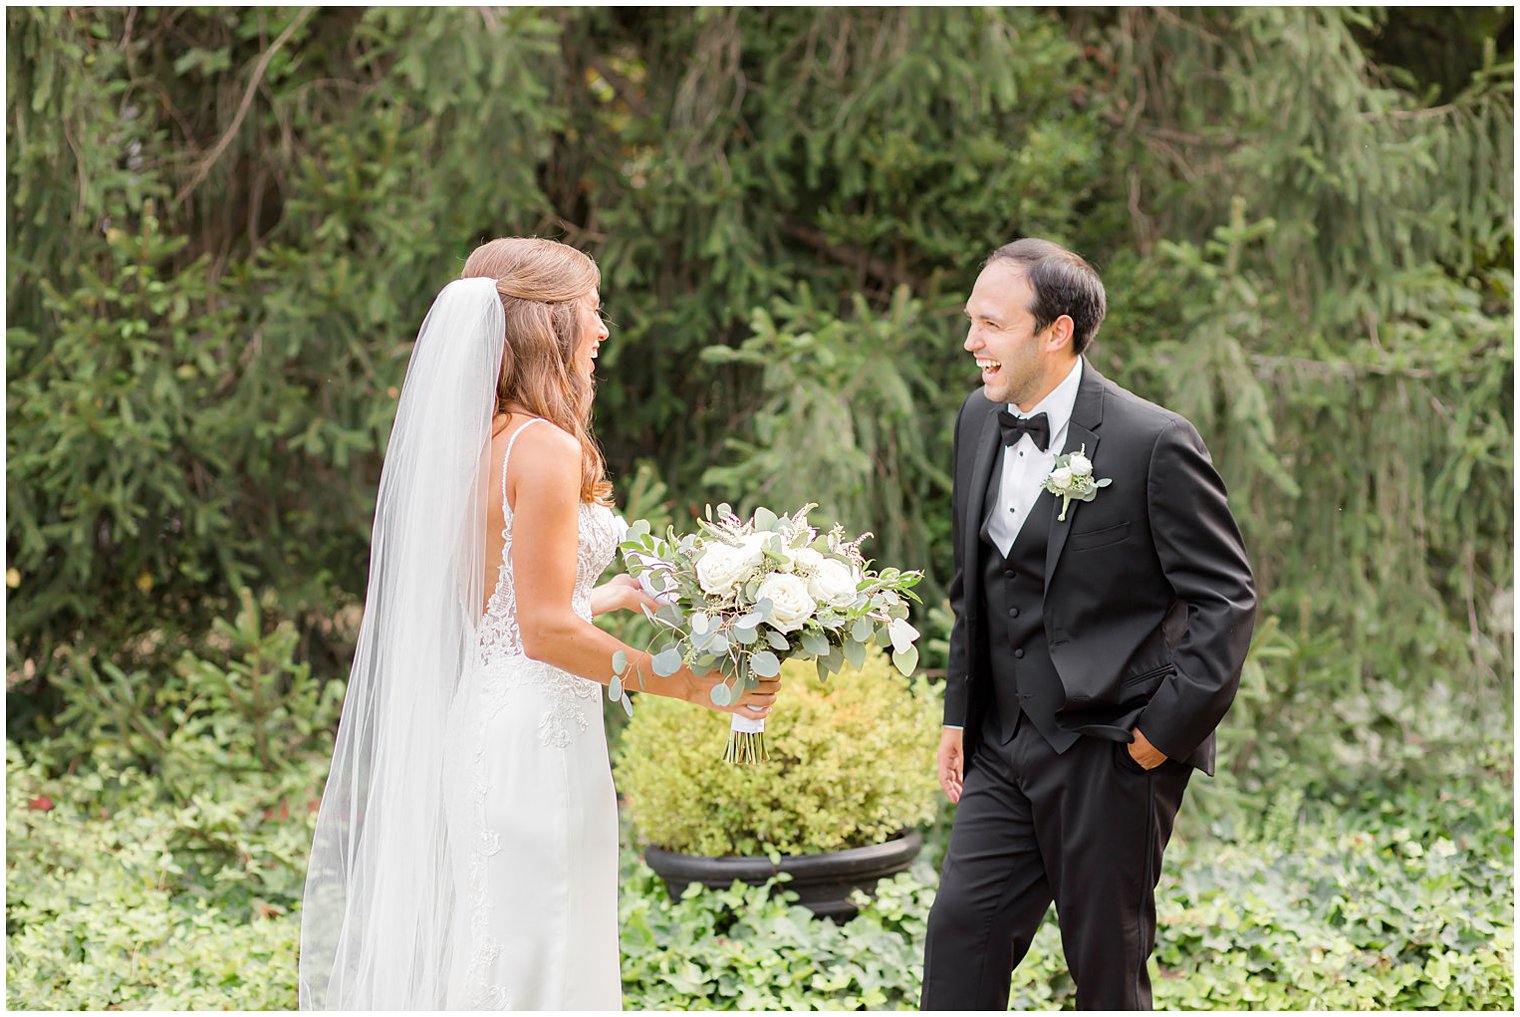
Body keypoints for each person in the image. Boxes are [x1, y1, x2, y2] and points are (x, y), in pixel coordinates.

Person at [299, 237, 778, 1010]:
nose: (602, 331)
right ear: (545, 328)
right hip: (534, 742)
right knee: (540, 957)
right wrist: (694, 687)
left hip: (494, 719)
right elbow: (544, 631)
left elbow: (502, 607)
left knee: (510, 949)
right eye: (591, 311)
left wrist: (613, 591)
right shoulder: (546, 447)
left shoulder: (483, 442)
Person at [920, 238, 1256, 1010]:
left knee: (1106, 972)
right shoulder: (979, 418)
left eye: (991, 324)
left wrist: (1160, 735)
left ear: (1056, 331)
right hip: (1001, 748)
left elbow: (1226, 599)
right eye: (972, 320)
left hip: (1111, 753)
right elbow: (974, 583)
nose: (971, 341)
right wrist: (957, 716)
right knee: (959, 938)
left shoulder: (1152, 442)